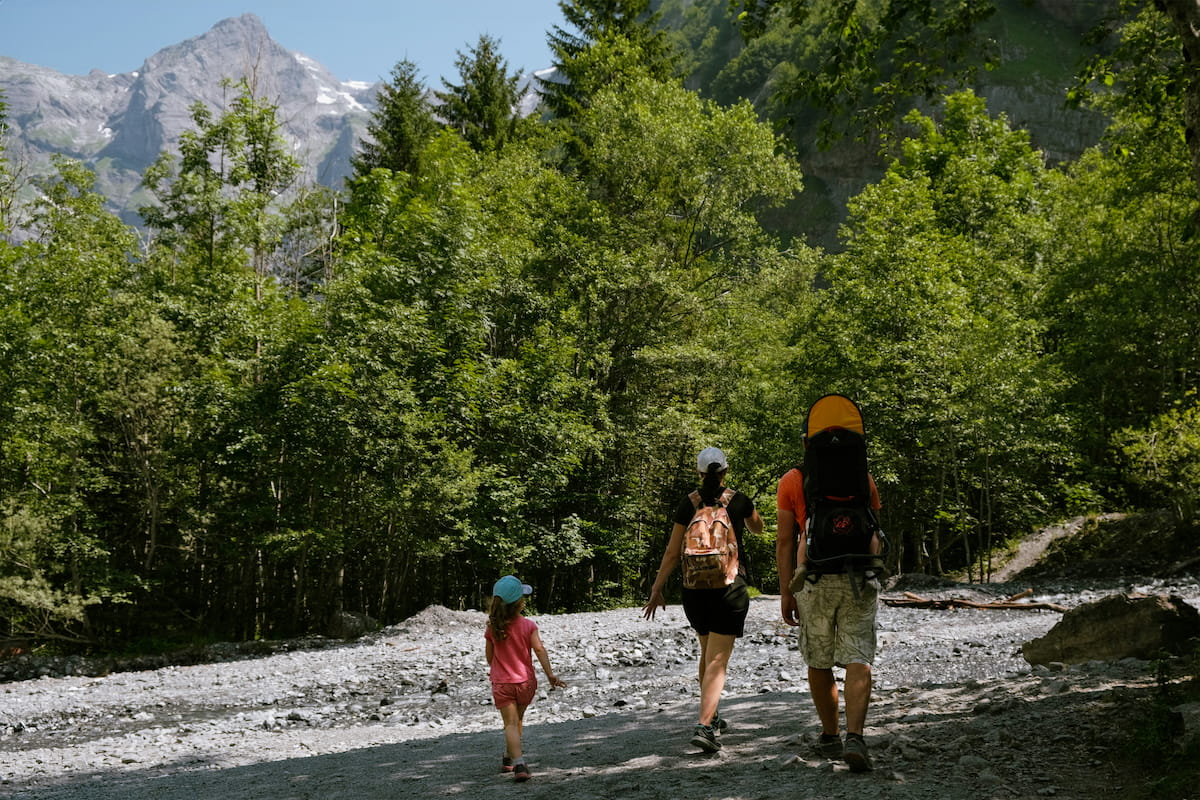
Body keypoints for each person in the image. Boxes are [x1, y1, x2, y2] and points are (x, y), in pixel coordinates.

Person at [643, 447, 764, 753]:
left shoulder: (689, 503)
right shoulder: (738, 500)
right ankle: (704, 724)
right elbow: (758, 527)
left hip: (693, 590)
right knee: (717, 659)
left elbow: (672, 552)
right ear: (725, 471)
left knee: (707, 652)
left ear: (699, 473)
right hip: (730, 588)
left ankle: (712, 714)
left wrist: (657, 587)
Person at [776, 461, 882, 772]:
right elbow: (874, 527)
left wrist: (786, 591)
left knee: (819, 659)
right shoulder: (863, 476)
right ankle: (856, 738)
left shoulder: (793, 480)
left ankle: (830, 735)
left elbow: (784, 539)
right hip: (860, 577)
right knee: (858, 656)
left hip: (814, 578)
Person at [485, 574, 566, 782]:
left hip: (502, 683)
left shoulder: (492, 627)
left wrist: (498, 668)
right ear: (519, 603)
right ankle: (511, 759)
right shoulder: (528, 625)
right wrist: (550, 675)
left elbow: (489, 657)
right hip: (525, 682)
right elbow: (539, 649)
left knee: (510, 724)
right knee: (517, 720)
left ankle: (516, 760)